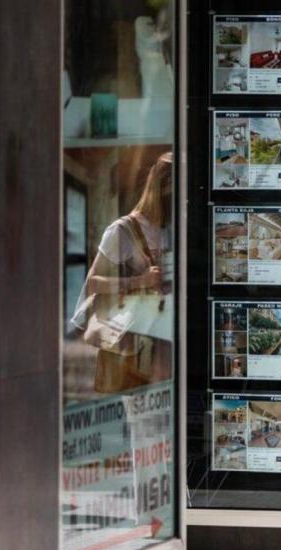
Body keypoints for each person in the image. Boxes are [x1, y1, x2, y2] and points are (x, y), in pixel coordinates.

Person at [72, 152, 173, 393]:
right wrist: (139, 281)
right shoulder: (123, 230)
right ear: (163, 189)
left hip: (162, 339)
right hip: (128, 340)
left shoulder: (170, 229)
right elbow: (93, 283)